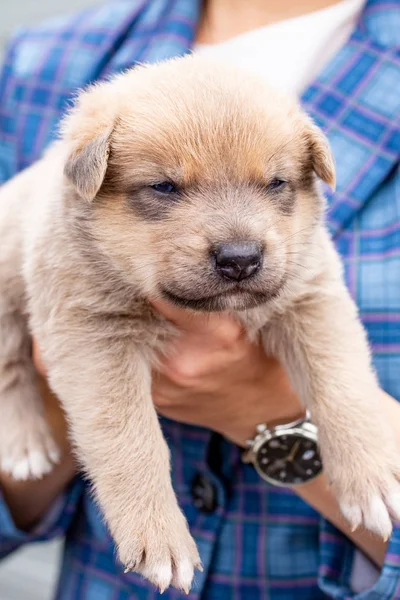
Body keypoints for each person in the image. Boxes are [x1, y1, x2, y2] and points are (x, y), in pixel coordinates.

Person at [0, 0, 399, 597]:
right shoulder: (47, 60)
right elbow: (86, 342)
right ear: (89, 178)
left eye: (275, 184)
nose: (239, 244)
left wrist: (284, 412)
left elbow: (318, 309)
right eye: (163, 187)